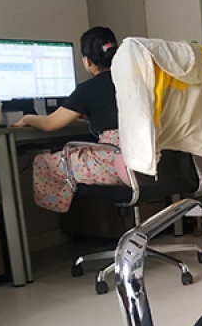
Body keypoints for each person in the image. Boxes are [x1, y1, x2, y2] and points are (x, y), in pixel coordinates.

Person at [11, 27, 123, 212]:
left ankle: (59, 220)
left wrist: (27, 119)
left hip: (113, 166)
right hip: (146, 162)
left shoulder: (87, 89)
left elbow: (49, 124)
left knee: (44, 162)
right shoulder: (135, 81)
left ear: (87, 61)